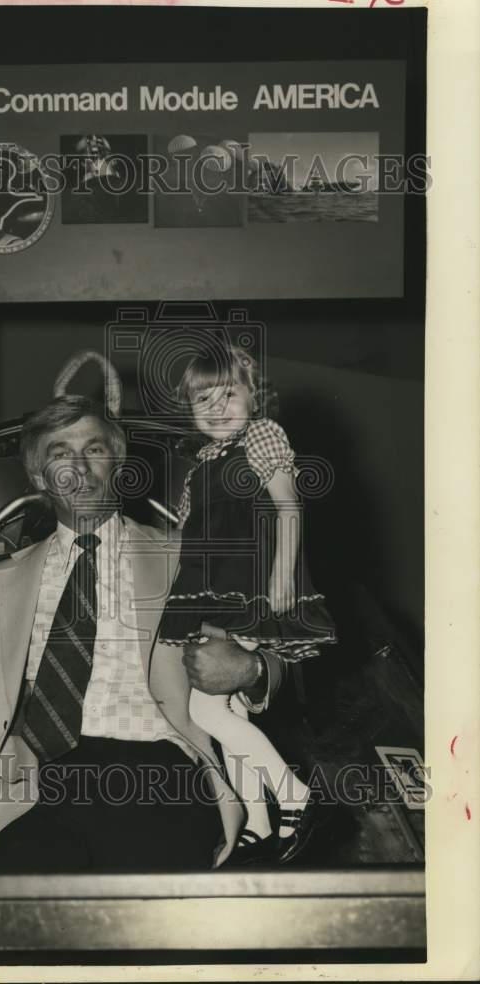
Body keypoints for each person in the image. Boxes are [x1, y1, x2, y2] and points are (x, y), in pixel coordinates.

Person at [0, 396, 288, 872]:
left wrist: (251, 670)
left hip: (156, 768)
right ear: (39, 477)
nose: (79, 467)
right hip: (30, 777)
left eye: (94, 450)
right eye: (61, 453)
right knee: (13, 895)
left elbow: (282, 654)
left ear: (118, 463)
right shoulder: (0, 580)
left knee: (144, 899)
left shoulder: (185, 557)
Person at [156, 344, 336, 862]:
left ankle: (295, 795)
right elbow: (186, 536)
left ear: (255, 396)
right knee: (230, 708)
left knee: (205, 708)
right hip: (211, 594)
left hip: (250, 587)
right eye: (203, 399)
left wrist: (282, 577)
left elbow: (289, 507)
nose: (217, 408)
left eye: (229, 394)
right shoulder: (199, 467)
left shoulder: (261, 436)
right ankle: (257, 822)